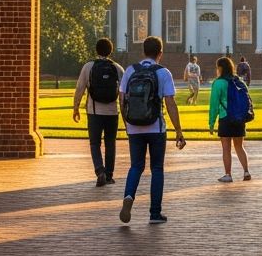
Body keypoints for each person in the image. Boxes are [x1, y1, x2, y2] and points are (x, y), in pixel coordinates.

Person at [119, 36, 186, 225]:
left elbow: (122, 98)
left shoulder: (131, 70)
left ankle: (129, 195)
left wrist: (127, 124)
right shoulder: (163, 72)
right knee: (157, 169)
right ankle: (155, 213)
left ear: (143, 52)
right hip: (156, 127)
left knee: (136, 166)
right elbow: (170, 103)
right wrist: (178, 131)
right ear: (160, 53)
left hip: (134, 126)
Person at [73, 36, 125, 186]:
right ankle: (109, 175)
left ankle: (99, 170)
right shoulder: (117, 68)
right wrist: (124, 111)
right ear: (111, 51)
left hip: (94, 111)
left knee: (94, 143)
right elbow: (123, 93)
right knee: (110, 143)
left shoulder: (88, 67)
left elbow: (80, 88)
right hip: (112, 112)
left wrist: (76, 107)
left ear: (96, 50)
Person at [208, 55, 252, 182]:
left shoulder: (218, 83)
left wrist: (211, 123)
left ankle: (228, 174)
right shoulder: (239, 82)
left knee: (226, 148)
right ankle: (246, 171)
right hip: (239, 118)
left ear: (220, 68)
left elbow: (214, 105)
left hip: (225, 118)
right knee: (239, 146)